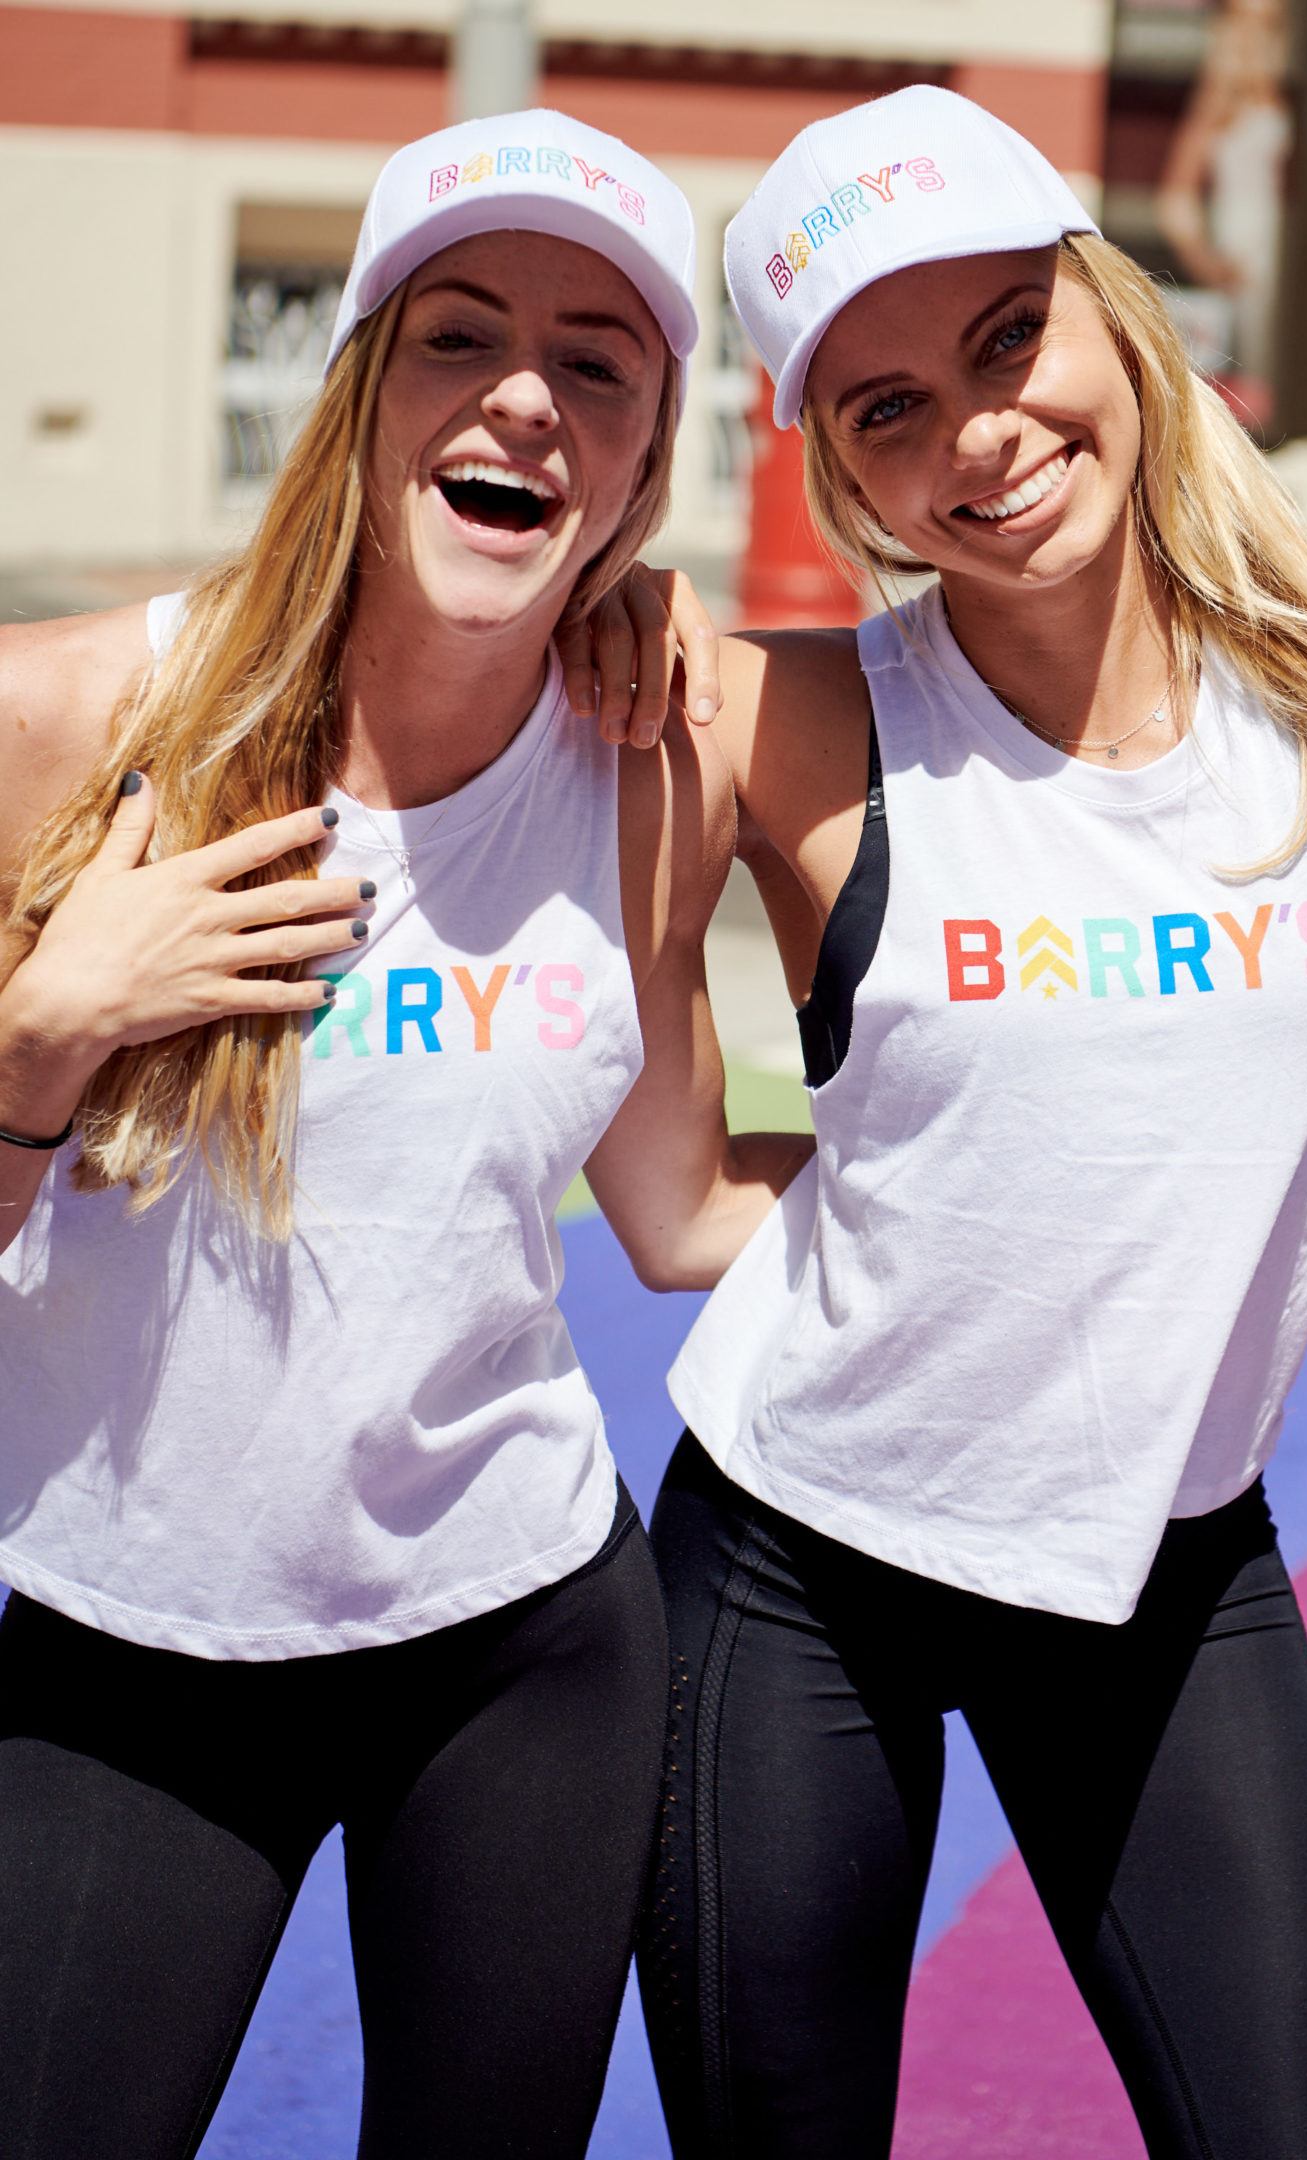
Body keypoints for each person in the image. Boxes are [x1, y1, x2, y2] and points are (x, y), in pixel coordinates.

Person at [617, 86, 1307, 2160]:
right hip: (805, 1572)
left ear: (1113, 319)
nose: (977, 433)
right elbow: (654, 1191)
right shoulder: (778, 715)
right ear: (843, 469)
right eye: (890, 407)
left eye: (1008, 341)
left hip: (1177, 1571)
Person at [0, 110, 807, 2159]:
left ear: (635, 470)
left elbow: (680, 1205)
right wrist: (37, 1041)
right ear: (365, 389)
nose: (525, 396)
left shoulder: (648, 768)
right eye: (460, 336)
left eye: (599, 366)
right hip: (129, 1652)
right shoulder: (78, 725)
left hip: (523, 1651)